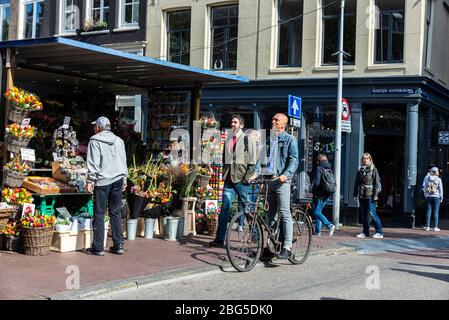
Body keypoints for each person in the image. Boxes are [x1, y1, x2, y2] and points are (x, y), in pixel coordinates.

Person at [209, 114, 256, 247]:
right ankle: (219, 239)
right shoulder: (229, 139)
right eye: (232, 122)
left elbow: (253, 160)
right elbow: (225, 159)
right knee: (224, 209)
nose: (232, 124)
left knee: (246, 209)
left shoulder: (247, 139)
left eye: (235, 122)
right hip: (229, 180)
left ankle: (257, 238)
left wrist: (246, 179)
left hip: (241, 180)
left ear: (241, 125)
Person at [85, 116, 128, 256]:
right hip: (118, 179)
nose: (93, 129)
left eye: (94, 126)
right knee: (115, 212)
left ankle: (98, 247)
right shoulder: (119, 141)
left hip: (103, 181)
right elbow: (123, 161)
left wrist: (90, 181)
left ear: (98, 127)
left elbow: (93, 163)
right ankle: (118, 244)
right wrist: (124, 179)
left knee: (99, 213)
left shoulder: (94, 141)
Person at [265, 113, 299, 259]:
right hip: (270, 181)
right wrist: (256, 175)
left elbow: (294, 160)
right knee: (270, 216)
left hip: (282, 181)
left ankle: (287, 246)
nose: (273, 121)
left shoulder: (290, 139)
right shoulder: (270, 139)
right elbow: (265, 161)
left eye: (276, 120)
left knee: (285, 213)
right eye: (272, 119)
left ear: (283, 124)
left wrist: (286, 174)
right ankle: (271, 246)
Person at [353, 153, 383, 239]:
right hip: (362, 195)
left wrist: (376, 195)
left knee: (372, 213)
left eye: (367, 159)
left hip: (370, 195)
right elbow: (356, 183)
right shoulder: (360, 170)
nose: (365, 160)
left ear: (370, 160)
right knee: (364, 214)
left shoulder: (374, 170)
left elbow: (376, 184)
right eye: (364, 159)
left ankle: (379, 232)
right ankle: (365, 232)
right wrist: (355, 194)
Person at [312, 154, 336, 237]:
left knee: (316, 212)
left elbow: (317, 183)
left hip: (320, 194)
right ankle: (318, 231)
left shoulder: (319, 168)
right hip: (327, 193)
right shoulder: (329, 168)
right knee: (319, 212)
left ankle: (329, 225)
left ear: (318, 160)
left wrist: (313, 190)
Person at [422, 167, 443, 231]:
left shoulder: (426, 178)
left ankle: (427, 226)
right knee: (436, 211)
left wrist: (425, 195)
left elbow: (425, 187)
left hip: (428, 196)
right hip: (436, 197)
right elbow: (440, 189)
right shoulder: (439, 179)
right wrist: (441, 197)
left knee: (428, 211)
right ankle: (435, 227)